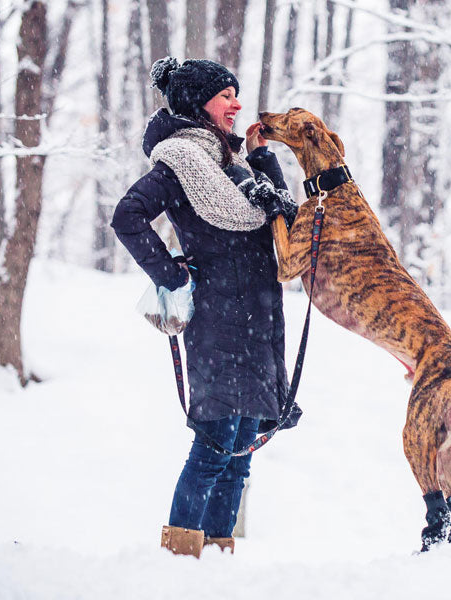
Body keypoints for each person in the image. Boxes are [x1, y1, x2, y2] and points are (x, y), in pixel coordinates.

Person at [110, 57, 299, 558]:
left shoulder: (230, 165)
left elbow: (279, 212)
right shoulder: (180, 161)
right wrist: (173, 275)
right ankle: (179, 557)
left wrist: (261, 154)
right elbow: (127, 217)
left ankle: (217, 558)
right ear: (198, 103)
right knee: (215, 448)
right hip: (219, 324)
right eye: (225, 96)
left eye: (236, 94)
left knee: (240, 458)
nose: (237, 104)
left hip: (258, 323)